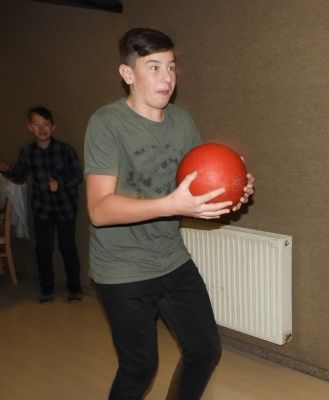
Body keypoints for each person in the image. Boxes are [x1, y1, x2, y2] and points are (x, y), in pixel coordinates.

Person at [84, 27, 254, 400]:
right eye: (154, 67)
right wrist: (171, 206)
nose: (167, 77)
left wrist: (231, 190)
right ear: (127, 74)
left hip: (171, 260)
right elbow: (99, 209)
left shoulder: (183, 122)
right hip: (122, 269)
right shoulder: (106, 124)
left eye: (172, 66)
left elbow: (194, 191)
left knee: (205, 350)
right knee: (139, 368)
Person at [0, 106, 83, 303]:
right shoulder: (27, 152)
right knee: (43, 250)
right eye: (36, 124)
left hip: (66, 208)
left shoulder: (65, 150)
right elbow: (19, 177)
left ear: (53, 127)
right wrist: (6, 169)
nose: (42, 128)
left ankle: (75, 289)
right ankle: (47, 290)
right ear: (30, 128)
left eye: (46, 124)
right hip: (42, 209)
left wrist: (60, 184)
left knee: (68, 248)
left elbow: (78, 176)